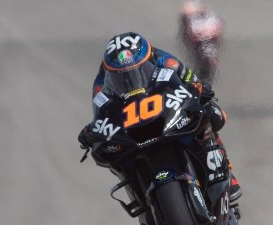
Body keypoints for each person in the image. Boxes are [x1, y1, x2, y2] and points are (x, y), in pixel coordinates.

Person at [78, 32, 242, 209]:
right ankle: (142, 199)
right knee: (109, 153)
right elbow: (100, 114)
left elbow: (190, 80)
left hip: (162, 107)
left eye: (138, 71)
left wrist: (201, 91)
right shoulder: (101, 84)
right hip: (129, 120)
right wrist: (91, 132)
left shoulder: (164, 60)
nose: (131, 80)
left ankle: (228, 175)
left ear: (148, 61)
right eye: (122, 77)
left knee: (210, 114)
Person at [179, 0, 224, 83]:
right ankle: (202, 74)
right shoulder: (193, 18)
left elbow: (217, 28)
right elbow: (191, 33)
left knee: (208, 58)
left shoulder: (210, 18)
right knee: (198, 58)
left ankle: (206, 73)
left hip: (206, 40)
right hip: (199, 42)